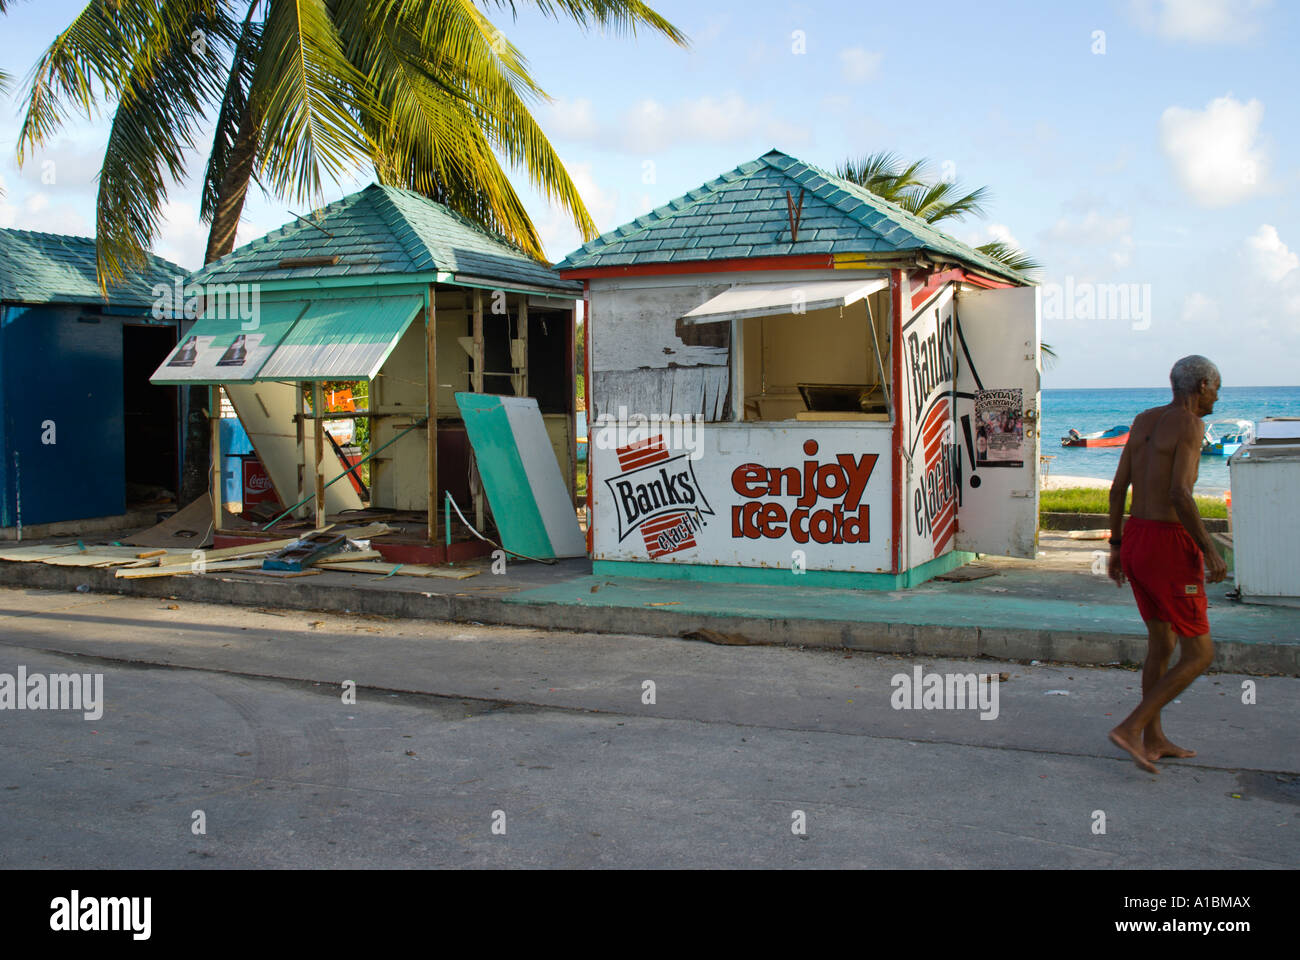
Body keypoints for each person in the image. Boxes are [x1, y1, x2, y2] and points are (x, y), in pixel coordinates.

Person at [1106, 355, 1228, 774]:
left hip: (1137, 536)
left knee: (1162, 644)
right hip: (1168, 544)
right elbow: (1179, 493)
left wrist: (1117, 546)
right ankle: (1130, 728)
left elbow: (1119, 486)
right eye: (1216, 387)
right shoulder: (1192, 425)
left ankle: (1154, 739)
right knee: (1200, 653)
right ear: (1203, 385)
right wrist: (1209, 549)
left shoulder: (1143, 419)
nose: (1217, 395)